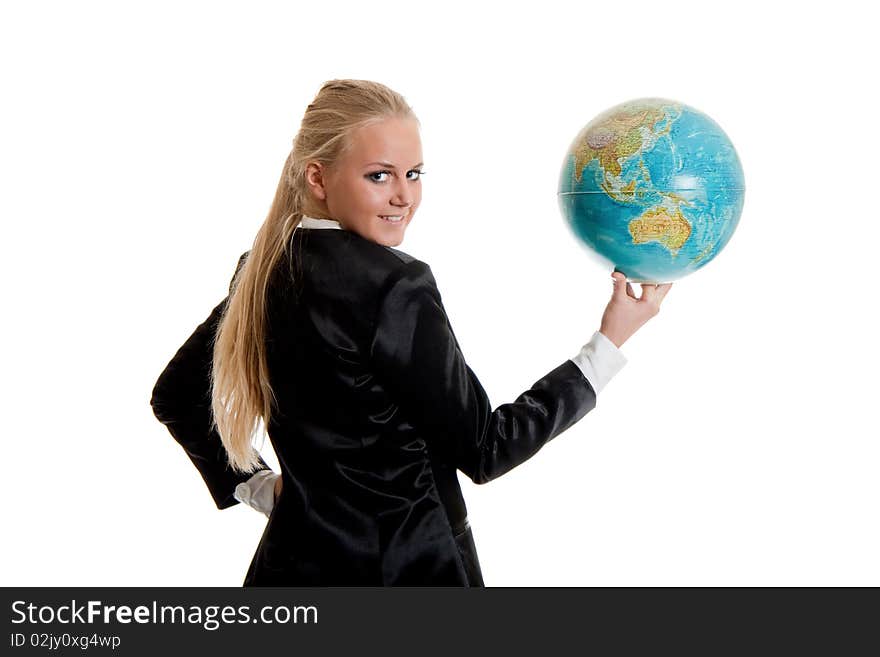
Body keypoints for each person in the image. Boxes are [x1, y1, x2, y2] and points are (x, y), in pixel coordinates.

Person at [150, 79, 672, 586]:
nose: (404, 197)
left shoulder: (261, 270)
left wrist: (261, 488)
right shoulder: (395, 286)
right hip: (408, 573)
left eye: (414, 173)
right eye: (380, 176)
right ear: (318, 179)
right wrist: (607, 343)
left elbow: (176, 396)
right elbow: (487, 449)